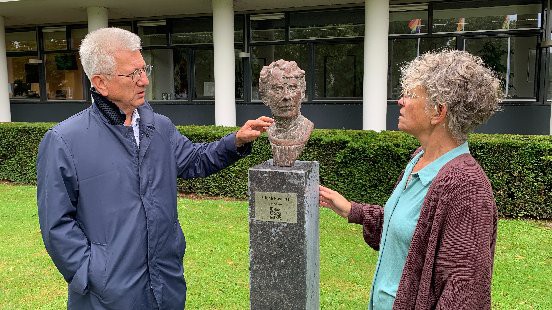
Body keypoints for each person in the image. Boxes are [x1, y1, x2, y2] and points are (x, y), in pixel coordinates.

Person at [36, 27, 273, 310]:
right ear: (101, 83)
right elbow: (57, 226)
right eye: (133, 73)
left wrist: (235, 141)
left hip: (166, 285)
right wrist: (92, 274)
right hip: (105, 298)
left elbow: (194, 160)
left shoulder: (158, 126)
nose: (145, 80)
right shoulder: (64, 141)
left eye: (143, 68)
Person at [319, 50, 501, 309]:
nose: (400, 101)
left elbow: (464, 293)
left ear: (438, 111)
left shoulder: (467, 186)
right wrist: (353, 211)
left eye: (411, 95)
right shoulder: (418, 159)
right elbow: (411, 236)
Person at [259, 59, 314, 167]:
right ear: (265, 96)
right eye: (278, 89)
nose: (286, 96)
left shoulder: (305, 128)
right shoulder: (268, 129)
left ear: (302, 93)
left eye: (292, 88)